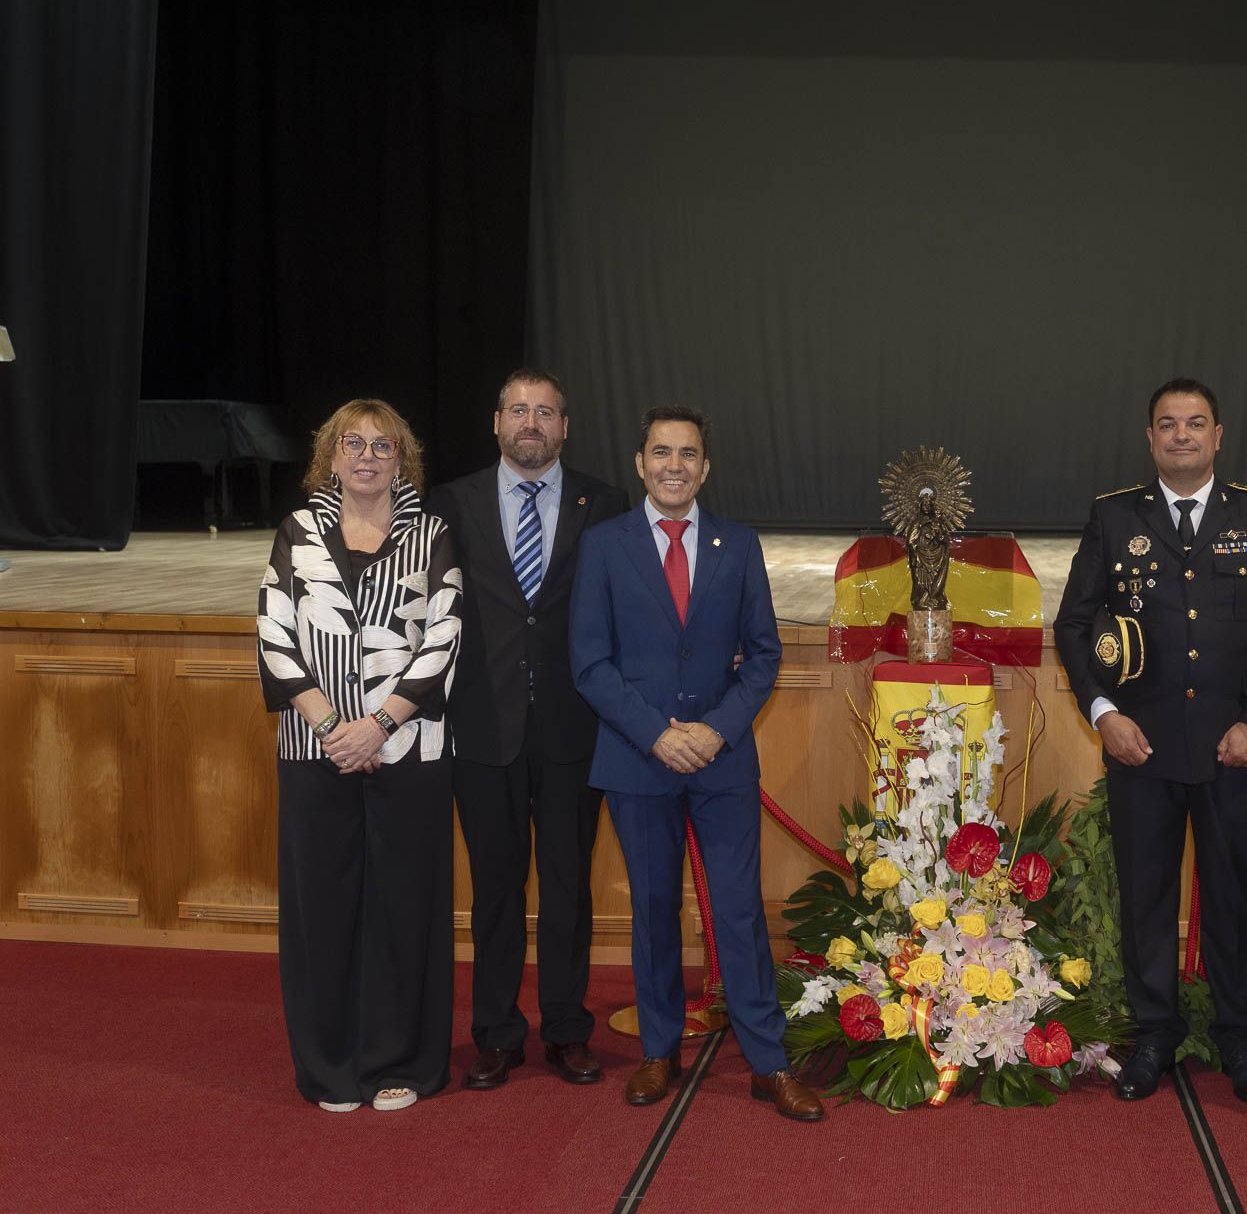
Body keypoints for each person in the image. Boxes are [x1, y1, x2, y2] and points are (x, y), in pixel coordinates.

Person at [1054, 377, 1247, 1105]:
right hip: (1142, 745)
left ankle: (1240, 1038)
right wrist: (1104, 711)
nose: (1181, 436)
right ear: (1149, 438)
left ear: (1218, 435)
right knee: (1146, 897)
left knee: (1233, 896)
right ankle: (1155, 1035)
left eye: (1195, 423)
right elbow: (1073, 626)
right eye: (1167, 425)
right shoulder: (1114, 518)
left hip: (1233, 747)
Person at [570, 404, 824, 1122]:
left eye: (687, 454)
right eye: (661, 452)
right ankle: (658, 1050)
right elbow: (589, 662)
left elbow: (764, 654)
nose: (674, 465)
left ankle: (767, 1062)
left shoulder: (736, 545)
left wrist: (713, 732)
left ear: (704, 467)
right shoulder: (605, 546)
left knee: (740, 912)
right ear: (640, 463)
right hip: (637, 760)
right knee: (652, 908)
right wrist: (657, 734)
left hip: (722, 761)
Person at [256, 399, 462, 1113]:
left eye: (383, 446)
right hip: (314, 751)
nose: (368, 457)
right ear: (331, 458)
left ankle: (400, 1061)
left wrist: (376, 725)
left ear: (401, 459)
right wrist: (331, 727)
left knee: (407, 910)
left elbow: (444, 638)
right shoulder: (297, 533)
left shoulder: (432, 535)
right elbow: (273, 635)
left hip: (409, 748)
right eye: (354, 445)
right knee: (323, 911)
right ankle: (329, 1067)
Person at [429, 370, 626, 1090]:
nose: (531, 423)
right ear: (496, 422)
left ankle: (569, 1031)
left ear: (565, 427)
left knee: (569, 888)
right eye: (519, 410)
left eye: (546, 412)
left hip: (576, 728)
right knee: (495, 890)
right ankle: (496, 1034)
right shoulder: (450, 503)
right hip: (483, 726)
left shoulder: (604, 503)